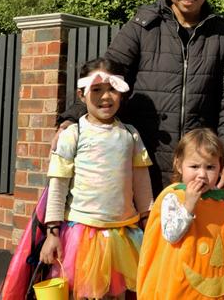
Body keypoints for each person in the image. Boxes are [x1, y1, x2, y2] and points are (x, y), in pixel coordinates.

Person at [57, 0, 224, 195]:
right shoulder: (143, 26)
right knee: (144, 232)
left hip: (196, 166)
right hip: (141, 159)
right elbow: (108, 76)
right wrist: (73, 117)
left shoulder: (223, 36)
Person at [40, 57, 154, 299]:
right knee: (84, 293)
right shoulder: (72, 134)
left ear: (122, 94)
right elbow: (58, 186)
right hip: (83, 235)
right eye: (97, 89)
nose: (105, 97)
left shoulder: (130, 135)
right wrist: (52, 233)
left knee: (116, 294)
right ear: (81, 95)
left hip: (123, 234)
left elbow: (142, 185)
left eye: (112, 89)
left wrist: (148, 221)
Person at [136, 128, 224, 300]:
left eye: (210, 167)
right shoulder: (174, 196)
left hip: (216, 282)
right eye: (194, 166)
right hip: (180, 286)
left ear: (220, 167)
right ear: (179, 165)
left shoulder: (221, 200)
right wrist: (189, 205)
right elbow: (171, 235)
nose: (202, 174)